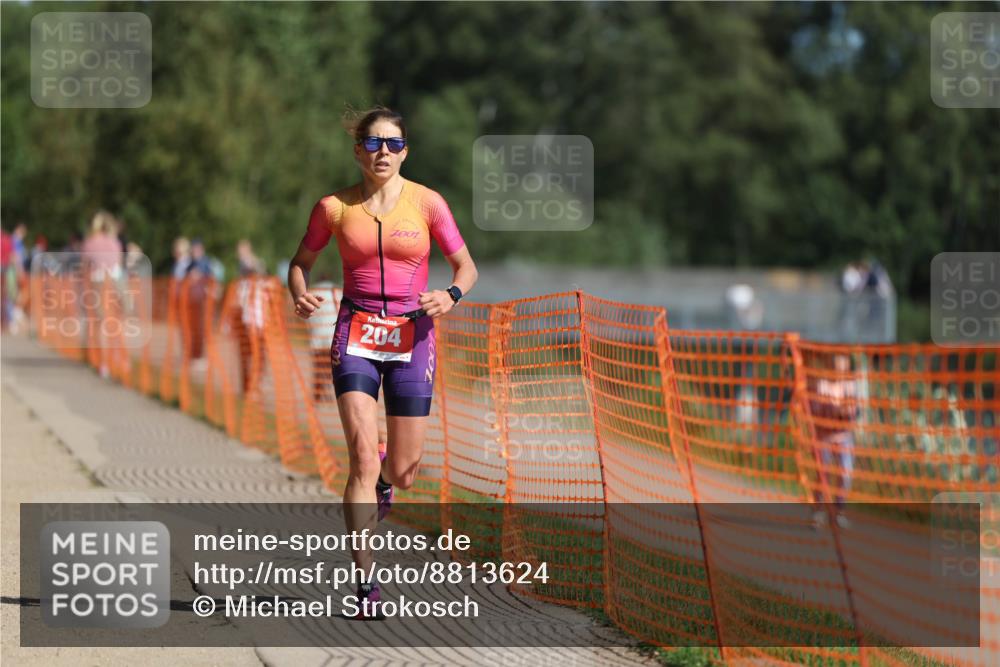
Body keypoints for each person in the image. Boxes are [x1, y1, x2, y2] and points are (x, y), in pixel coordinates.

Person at [287, 107, 478, 616]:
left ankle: (387, 483)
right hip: (355, 332)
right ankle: (366, 584)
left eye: (393, 144)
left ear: (405, 150)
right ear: (358, 151)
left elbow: (466, 265)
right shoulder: (333, 207)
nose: (384, 153)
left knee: (404, 468)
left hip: (412, 335)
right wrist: (299, 293)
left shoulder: (428, 203)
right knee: (362, 459)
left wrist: (452, 294)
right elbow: (300, 263)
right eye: (373, 144)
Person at [808, 352, 860, 529]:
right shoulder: (821, 385)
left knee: (845, 475)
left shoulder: (850, 385)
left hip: (844, 437)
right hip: (824, 437)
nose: (839, 368)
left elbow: (854, 412)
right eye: (836, 363)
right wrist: (830, 409)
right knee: (823, 476)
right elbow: (814, 410)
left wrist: (847, 412)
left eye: (843, 363)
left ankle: (839, 513)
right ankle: (819, 513)